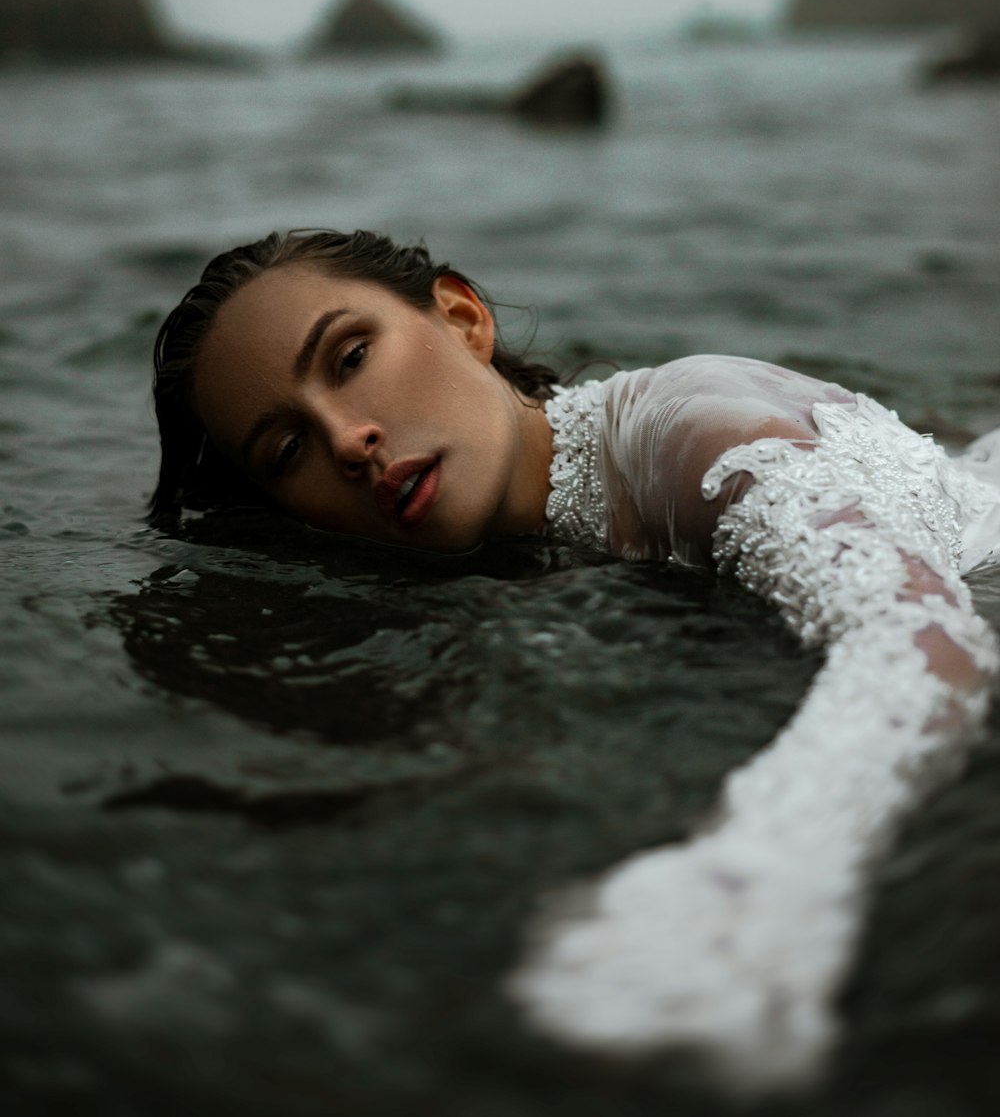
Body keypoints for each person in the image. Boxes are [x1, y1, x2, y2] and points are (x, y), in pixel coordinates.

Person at [151, 226, 1000, 1090]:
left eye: (350, 357)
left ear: (460, 317)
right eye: (287, 449)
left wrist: (765, 873)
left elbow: (919, 635)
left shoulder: (697, 436)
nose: (346, 439)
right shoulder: (505, 543)